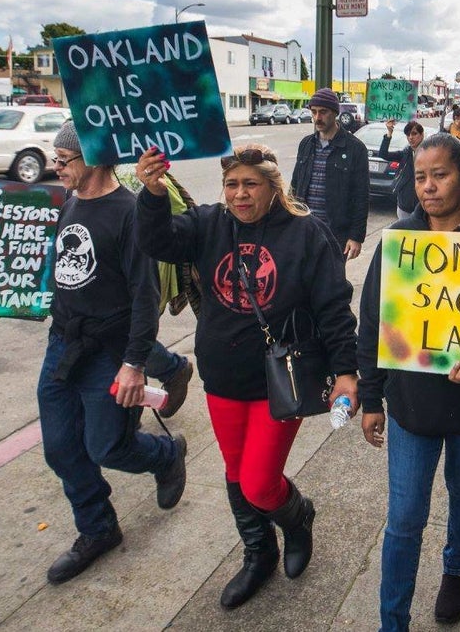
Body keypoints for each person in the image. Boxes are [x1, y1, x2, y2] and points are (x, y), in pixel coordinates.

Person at [134, 143, 359, 609]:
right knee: (236, 474)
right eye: (232, 184)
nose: (240, 194)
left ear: (273, 188)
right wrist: (152, 192)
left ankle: (297, 518)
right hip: (223, 376)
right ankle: (258, 554)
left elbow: (334, 307)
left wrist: (346, 372)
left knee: (260, 481)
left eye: (250, 184)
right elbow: (156, 242)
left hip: (282, 380)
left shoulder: (306, 232)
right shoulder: (209, 223)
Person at [0, 122, 190, 586]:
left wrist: (133, 365)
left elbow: (144, 298)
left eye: (63, 160)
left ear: (92, 159)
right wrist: (1, 303)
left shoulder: (128, 213)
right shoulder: (61, 204)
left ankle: (166, 454)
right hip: (63, 346)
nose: (56, 168)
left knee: (108, 447)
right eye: (55, 159)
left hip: (110, 352)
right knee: (62, 450)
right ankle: (98, 528)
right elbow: (45, 277)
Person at [358, 133, 460, 631]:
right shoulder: (399, 244)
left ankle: (455, 568)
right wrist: (370, 397)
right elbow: (372, 325)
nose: (428, 186)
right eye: (419, 176)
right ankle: (392, 622)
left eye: (440, 175)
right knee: (404, 518)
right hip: (412, 403)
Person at [290, 87, 370, 260]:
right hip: (304, 230)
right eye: (314, 112)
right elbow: (294, 187)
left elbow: (361, 196)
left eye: (323, 112)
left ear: (335, 113)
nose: (317, 117)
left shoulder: (355, 148)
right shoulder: (306, 144)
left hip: (336, 234)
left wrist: (356, 237)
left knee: (332, 284)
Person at [380, 119, 425, 220]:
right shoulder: (405, 153)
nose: (411, 137)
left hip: (423, 207)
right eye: (408, 134)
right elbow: (383, 154)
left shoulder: (430, 153)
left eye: (414, 134)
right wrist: (389, 133)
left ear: (422, 135)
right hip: (404, 206)